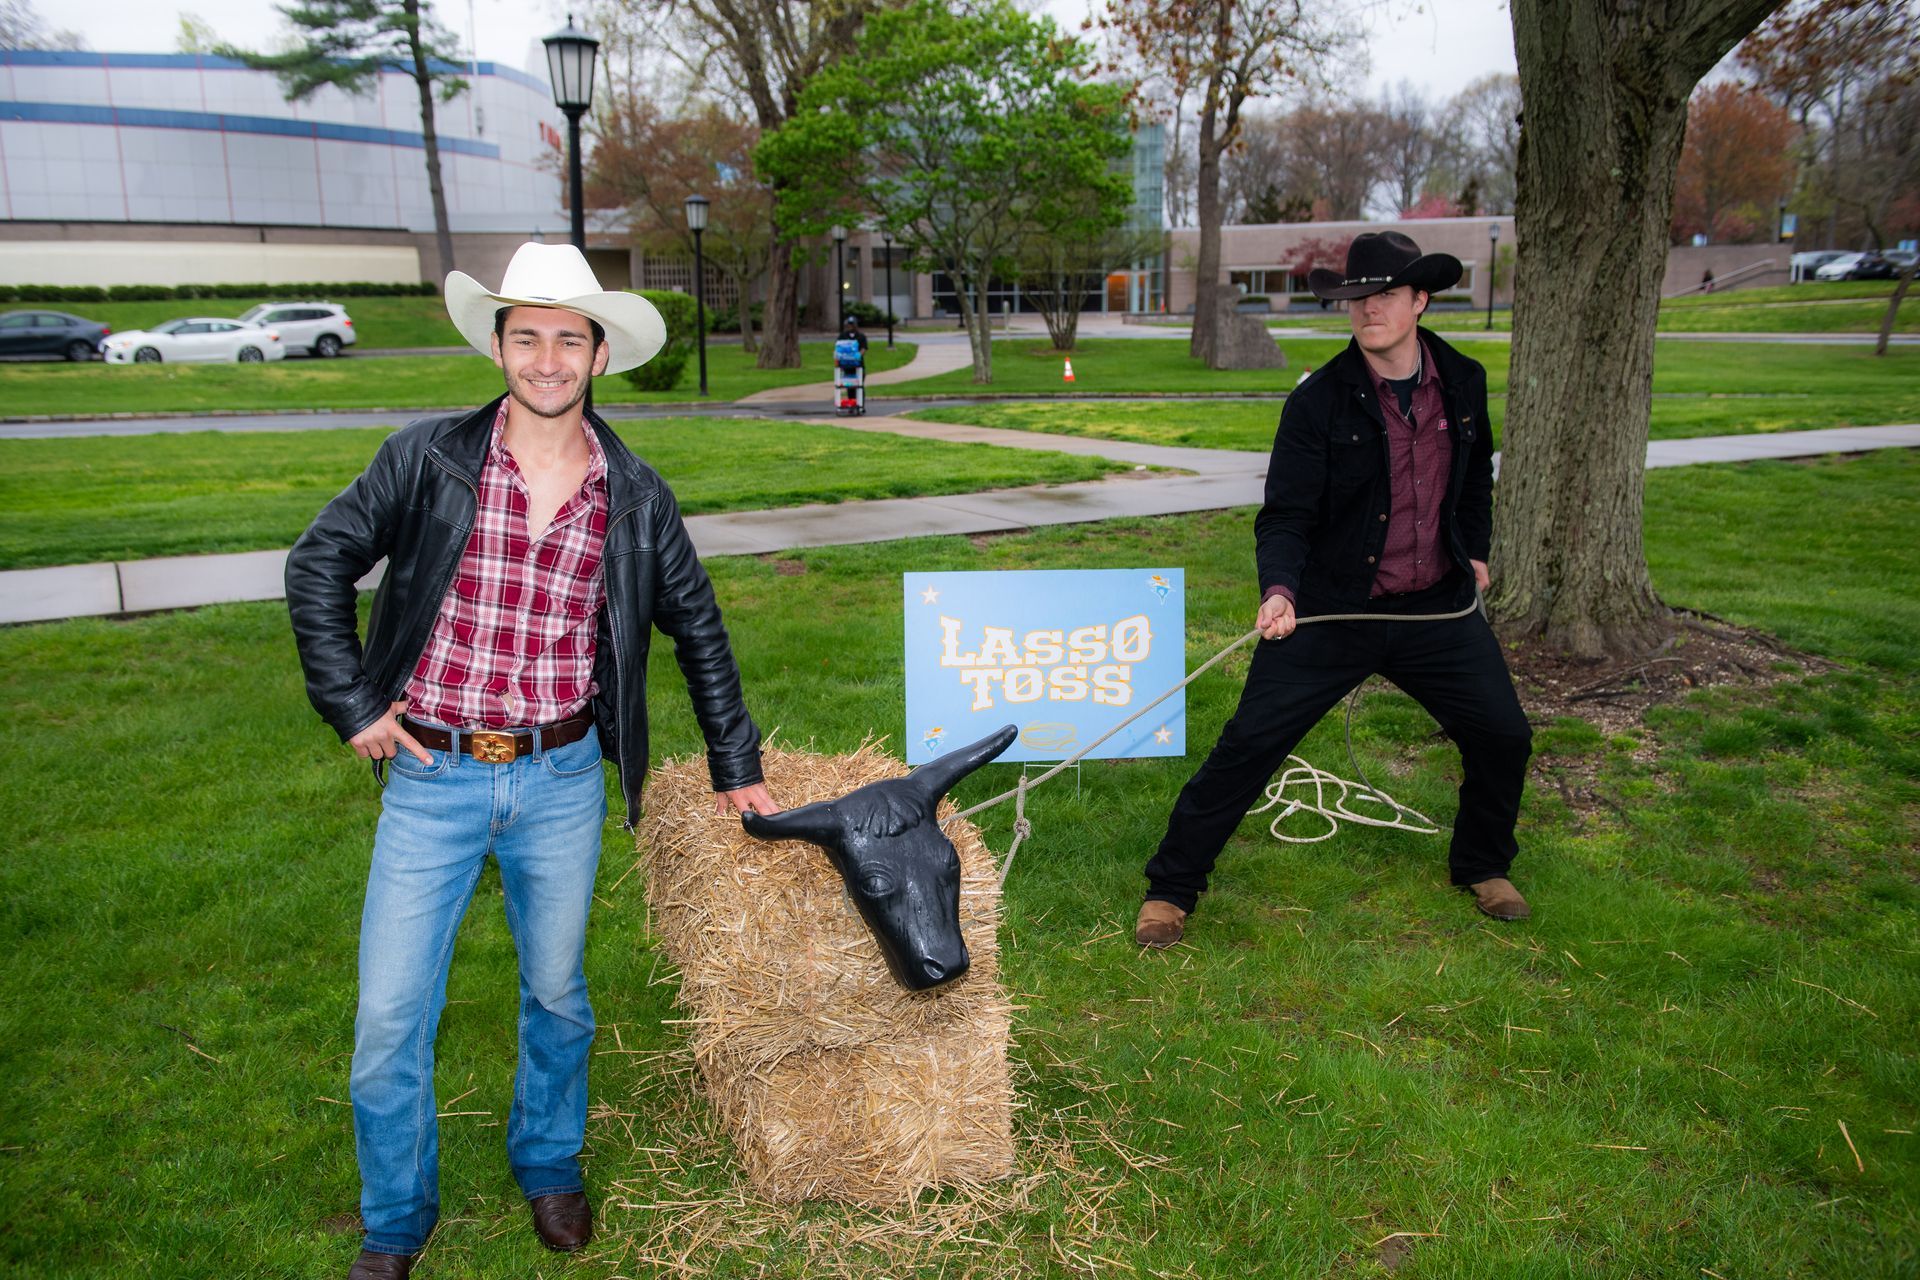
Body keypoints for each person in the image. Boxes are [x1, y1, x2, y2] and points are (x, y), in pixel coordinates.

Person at [285, 242, 780, 1279]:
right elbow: (319, 557)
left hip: (560, 779)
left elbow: (699, 625)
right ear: (500, 347)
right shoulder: (427, 458)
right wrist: (353, 700)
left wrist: (738, 763)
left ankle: (550, 1162)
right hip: (434, 776)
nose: (546, 357)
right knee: (388, 1013)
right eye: (526, 336)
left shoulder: (636, 493)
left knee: (556, 991)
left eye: (568, 337)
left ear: (598, 354)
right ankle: (394, 1216)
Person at [1135, 231, 1534, 950]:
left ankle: (1483, 864)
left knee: (1503, 734)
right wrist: (1281, 590)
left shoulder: (1465, 379)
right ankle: (1172, 887)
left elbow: (1476, 477)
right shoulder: (1318, 401)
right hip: (1328, 609)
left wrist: (1474, 552)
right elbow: (1286, 514)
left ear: (1420, 299)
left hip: (1436, 608)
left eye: (1384, 294)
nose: (1368, 309)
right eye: (1357, 297)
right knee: (1250, 743)